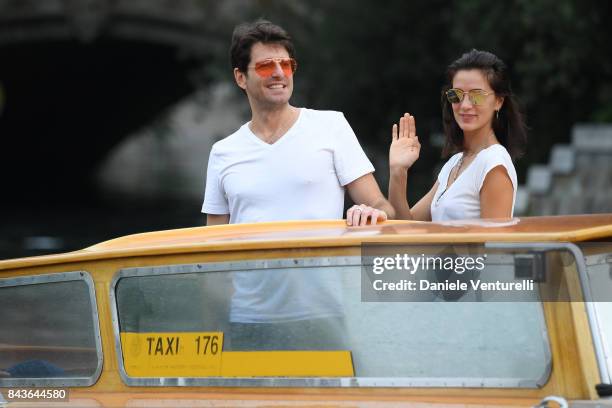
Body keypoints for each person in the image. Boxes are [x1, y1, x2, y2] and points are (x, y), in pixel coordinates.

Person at [202, 20, 394, 349]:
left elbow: (383, 206)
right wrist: (214, 328)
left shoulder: (331, 126)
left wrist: (370, 213)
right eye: (265, 66)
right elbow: (208, 256)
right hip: (248, 320)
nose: (279, 73)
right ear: (240, 77)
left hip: (325, 316)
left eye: (285, 64)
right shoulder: (223, 152)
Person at [357, 49, 526, 222]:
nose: (465, 105)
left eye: (476, 95)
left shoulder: (494, 163)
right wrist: (398, 172)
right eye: (456, 95)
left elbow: (493, 245)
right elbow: (405, 228)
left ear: (498, 101)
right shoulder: (456, 162)